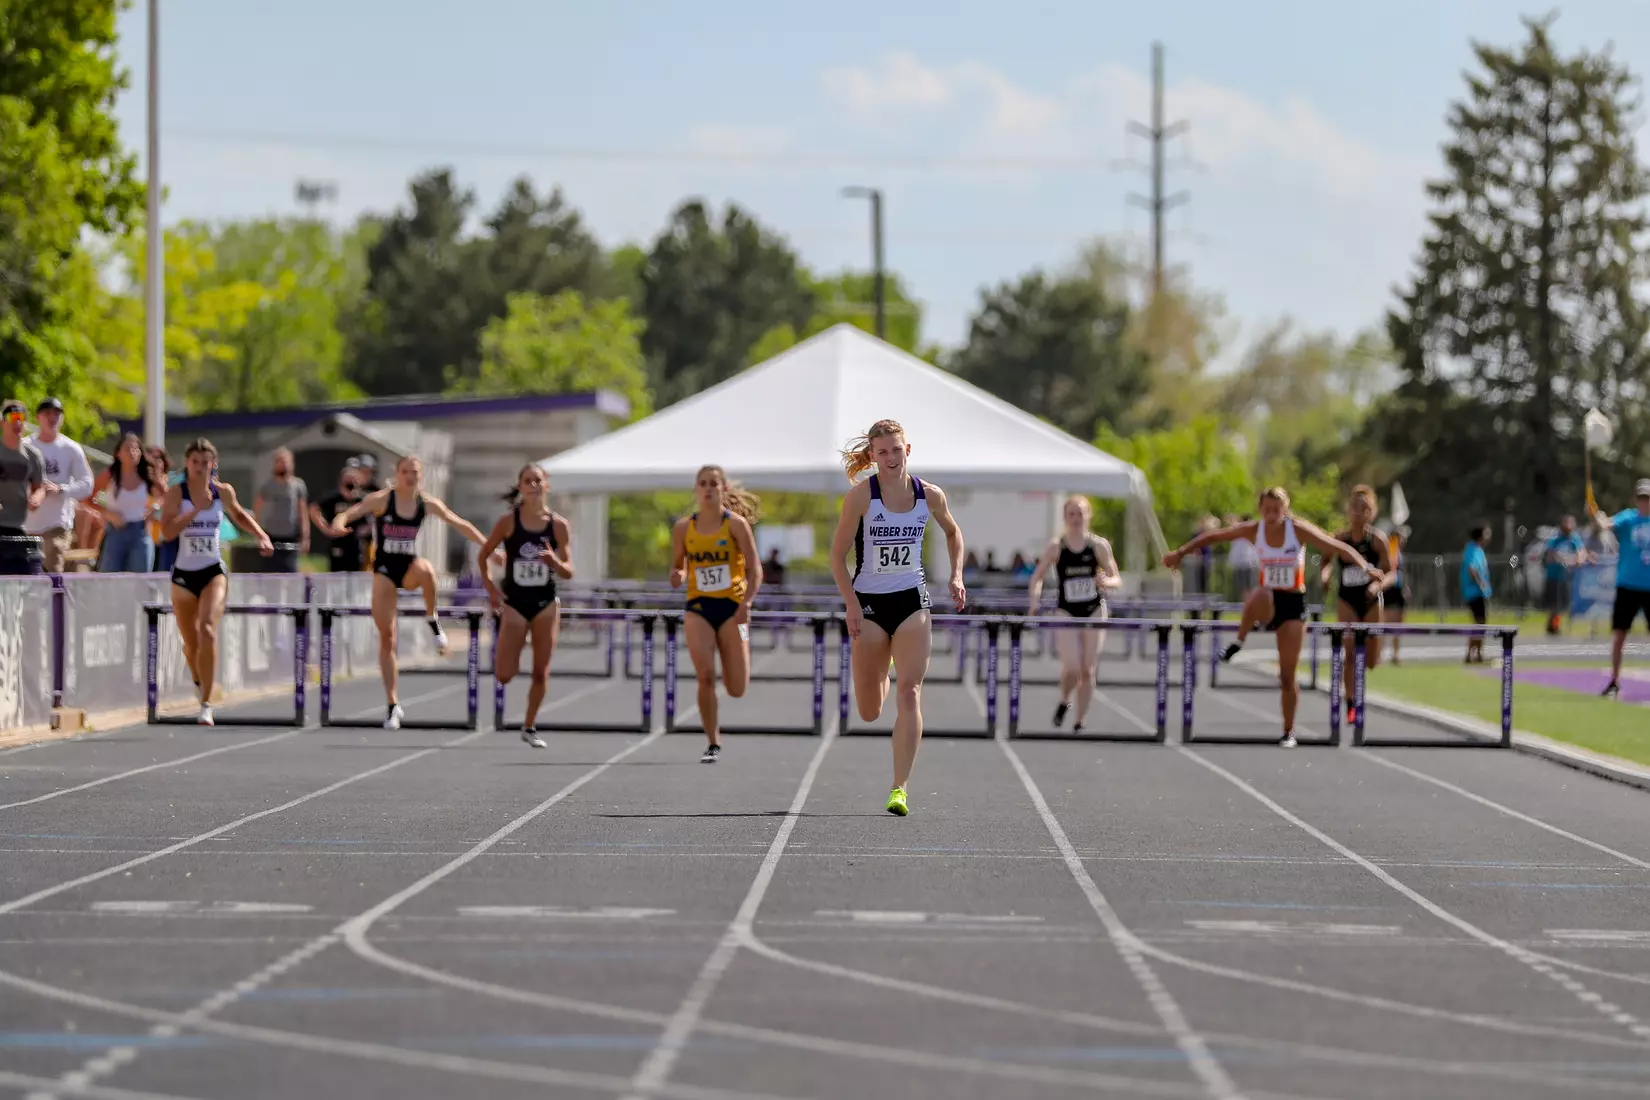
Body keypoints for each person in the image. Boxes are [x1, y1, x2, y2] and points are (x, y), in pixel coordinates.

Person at [1163, 488, 1381, 748]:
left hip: (1293, 605)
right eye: (1266, 510)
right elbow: (1215, 536)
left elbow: (1338, 548)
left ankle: (1288, 731)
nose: (1271, 515)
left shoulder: (1297, 530)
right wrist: (1181, 552)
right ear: (1260, 510)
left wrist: (1367, 568)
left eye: (1276, 510)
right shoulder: (1255, 530)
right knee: (1260, 594)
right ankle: (1238, 641)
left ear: (1285, 510)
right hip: (1268, 603)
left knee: (1287, 676)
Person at [829, 420, 967, 815]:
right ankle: (884, 665)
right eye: (882, 452)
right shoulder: (860, 498)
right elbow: (837, 557)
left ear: (909, 450)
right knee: (869, 710)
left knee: (910, 692)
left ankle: (899, 787)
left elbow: (953, 533)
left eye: (896, 450)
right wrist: (851, 605)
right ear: (872, 456)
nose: (890, 458)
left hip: (911, 600)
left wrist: (956, 575)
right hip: (869, 604)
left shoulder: (929, 495)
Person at [333, 455, 489, 730]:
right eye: (405, 471)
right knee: (387, 638)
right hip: (384, 570)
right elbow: (351, 512)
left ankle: (432, 619)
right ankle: (393, 704)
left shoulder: (426, 503)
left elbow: (458, 522)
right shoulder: (384, 499)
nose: (410, 477)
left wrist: (489, 548)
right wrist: (338, 522)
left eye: (415, 472)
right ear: (397, 474)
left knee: (428, 570)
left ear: (421, 476)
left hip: (408, 568)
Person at [158, 439, 272, 725]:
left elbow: (239, 515)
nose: (200, 467)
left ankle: (206, 704)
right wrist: (195, 511)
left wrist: (261, 534)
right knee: (190, 645)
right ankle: (199, 679)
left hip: (212, 571)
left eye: (205, 462)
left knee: (207, 629)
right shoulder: (175, 494)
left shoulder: (223, 492)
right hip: (183, 575)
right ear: (187, 463)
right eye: (195, 462)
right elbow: (167, 533)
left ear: (213, 464)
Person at [669, 465, 762, 764]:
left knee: (737, 688)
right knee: (705, 675)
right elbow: (678, 565)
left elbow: (754, 568)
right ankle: (713, 742)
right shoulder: (684, 527)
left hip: (733, 609)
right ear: (696, 489)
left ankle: (740, 655)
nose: (707, 488)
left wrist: (747, 603)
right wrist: (678, 574)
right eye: (702, 483)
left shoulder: (735, 525)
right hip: (699, 607)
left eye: (713, 483)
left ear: (723, 489)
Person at [479, 465, 573, 748]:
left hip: (546, 603)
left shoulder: (558, 525)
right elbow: (483, 555)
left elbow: (569, 571)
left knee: (541, 671)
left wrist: (555, 563)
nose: (533, 485)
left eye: (537, 480)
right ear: (521, 487)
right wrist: (491, 590)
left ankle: (529, 725)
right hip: (515, 603)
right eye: (527, 481)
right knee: (505, 674)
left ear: (547, 486)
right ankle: (515, 649)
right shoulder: (508, 522)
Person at [1026, 495, 1122, 732]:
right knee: (1071, 667)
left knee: (1088, 669)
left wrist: (1106, 582)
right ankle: (1064, 699)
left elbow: (1117, 578)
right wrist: (1034, 602)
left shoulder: (1098, 546)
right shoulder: (1056, 547)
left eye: (1080, 513)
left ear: (1088, 516)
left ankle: (1080, 720)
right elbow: (1037, 578)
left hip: (1093, 610)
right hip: (1066, 611)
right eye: (1072, 513)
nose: (1076, 518)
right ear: (1065, 517)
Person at [1318, 485, 1394, 725]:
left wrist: (1378, 585)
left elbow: (1392, 573)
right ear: (1348, 510)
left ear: (1372, 512)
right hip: (1347, 601)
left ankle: (1364, 673)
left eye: (1365, 509)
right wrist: (1326, 575)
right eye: (1355, 508)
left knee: (1371, 661)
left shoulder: (1378, 540)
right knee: (1349, 653)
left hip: (1371, 601)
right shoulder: (1340, 538)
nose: (1359, 513)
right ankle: (1351, 704)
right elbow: (1326, 561)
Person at [1590, 479, 1650, 698]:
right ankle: (1615, 680)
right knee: (1619, 635)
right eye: (1642, 497)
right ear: (1636, 499)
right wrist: (1597, 516)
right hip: (1628, 585)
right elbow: (1605, 525)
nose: (1645, 502)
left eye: (1648, 498)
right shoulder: (1629, 517)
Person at [22, 397, 94, 573]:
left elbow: (87, 484)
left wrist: (62, 489)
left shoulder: (70, 448)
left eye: (57, 413)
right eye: (47, 413)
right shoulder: (25, 446)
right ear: (38, 417)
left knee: (53, 573)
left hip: (56, 524)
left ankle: (55, 600)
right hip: (25, 526)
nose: (52, 417)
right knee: (25, 577)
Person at [93, 433, 163, 572]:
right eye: (127, 448)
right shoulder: (111, 475)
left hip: (140, 531)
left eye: (135, 449)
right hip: (115, 532)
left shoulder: (146, 475)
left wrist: (154, 508)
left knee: (140, 580)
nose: (132, 452)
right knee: (110, 578)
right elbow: (88, 497)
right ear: (118, 454)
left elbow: (167, 495)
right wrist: (108, 513)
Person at [0, 399, 47, 575]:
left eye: (21, 417)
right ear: (3, 422)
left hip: (17, 526)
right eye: (13, 417)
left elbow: (39, 486)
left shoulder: (33, 455)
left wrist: (37, 497)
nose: (18, 422)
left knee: (19, 579)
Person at [253, 448, 308, 573]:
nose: (282, 464)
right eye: (279, 461)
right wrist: (257, 534)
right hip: (270, 538)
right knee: (270, 573)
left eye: (285, 461)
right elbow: (257, 509)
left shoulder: (298, 486)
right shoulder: (267, 486)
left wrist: (305, 538)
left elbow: (303, 513)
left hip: (290, 538)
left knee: (290, 573)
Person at [311, 461, 372, 573]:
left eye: (354, 480)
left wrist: (366, 529)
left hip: (356, 546)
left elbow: (377, 514)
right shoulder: (333, 499)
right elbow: (314, 508)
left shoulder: (362, 500)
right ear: (341, 481)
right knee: (336, 579)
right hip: (337, 545)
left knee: (355, 579)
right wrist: (325, 528)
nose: (351, 483)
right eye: (348, 480)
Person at [1542, 515, 1589, 636]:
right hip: (1554, 576)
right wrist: (1563, 560)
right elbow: (1551, 555)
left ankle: (1555, 625)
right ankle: (1552, 626)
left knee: (1562, 604)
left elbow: (1581, 554)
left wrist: (1574, 561)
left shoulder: (1574, 539)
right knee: (1554, 604)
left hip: (1566, 577)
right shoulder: (1555, 539)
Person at [1460, 525, 1493, 663]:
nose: (1488, 536)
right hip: (1474, 592)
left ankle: (1478, 654)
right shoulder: (1472, 549)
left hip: (1480, 593)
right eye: (1486, 533)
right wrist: (1481, 583)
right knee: (1479, 624)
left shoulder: (1479, 549)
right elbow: (1472, 568)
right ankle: (1470, 654)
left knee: (1481, 624)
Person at [147, 446, 182, 573]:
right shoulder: (141, 485)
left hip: (166, 539)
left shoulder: (173, 480)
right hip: (147, 539)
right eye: (149, 459)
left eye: (157, 458)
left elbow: (171, 500)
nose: (154, 462)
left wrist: (158, 481)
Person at [1384, 528, 1410, 665]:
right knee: (1385, 622)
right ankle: (1379, 653)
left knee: (1398, 623)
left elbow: (1401, 572)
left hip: (1398, 591)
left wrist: (1405, 587)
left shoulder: (1399, 552)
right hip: (1389, 590)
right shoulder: (1390, 550)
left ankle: (1396, 654)